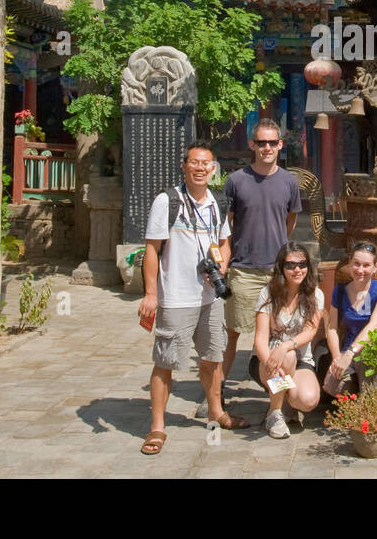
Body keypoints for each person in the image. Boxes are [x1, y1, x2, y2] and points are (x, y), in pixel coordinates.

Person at [138, 142, 244, 456]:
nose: (200, 168)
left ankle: (216, 412)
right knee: (165, 362)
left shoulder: (216, 202)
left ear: (214, 170)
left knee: (212, 358)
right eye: (194, 163)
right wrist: (150, 294)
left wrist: (222, 263)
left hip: (209, 298)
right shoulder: (167, 201)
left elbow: (224, 242)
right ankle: (157, 425)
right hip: (176, 297)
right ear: (184, 166)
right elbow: (151, 249)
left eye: (206, 163)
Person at [219, 118, 302, 399]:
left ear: (280, 145)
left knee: (279, 335)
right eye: (261, 142)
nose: (267, 148)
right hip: (243, 269)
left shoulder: (289, 181)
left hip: (277, 271)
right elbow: (225, 228)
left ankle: (278, 401)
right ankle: (215, 394)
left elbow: (289, 222)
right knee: (232, 333)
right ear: (252, 145)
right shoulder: (236, 181)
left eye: (272, 142)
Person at [254, 242, 323, 438]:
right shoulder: (267, 293)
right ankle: (274, 413)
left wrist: (285, 346)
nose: (297, 269)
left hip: (300, 360)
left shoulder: (315, 295)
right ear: (281, 267)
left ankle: (286, 402)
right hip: (267, 360)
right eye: (290, 265)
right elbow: (259, 339)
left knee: (307, 400)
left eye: (302, 264)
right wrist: (270, 362)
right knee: (287, 357)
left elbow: (310, 332)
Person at [323, 242, 377, 395]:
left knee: (365, 356)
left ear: (375, 267)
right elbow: (332, 327)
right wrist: (337, 357)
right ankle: (359, 399)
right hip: (348, 352)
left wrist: (350, 353)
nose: (360, 270)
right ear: (349, 264)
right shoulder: (340, 291)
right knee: (332, 385)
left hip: (373, 350)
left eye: (366, 265)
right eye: (356, 264)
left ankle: (368, 401)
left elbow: (376, 323)